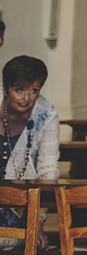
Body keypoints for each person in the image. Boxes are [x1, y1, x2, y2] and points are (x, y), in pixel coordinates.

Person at [0, 56, 59, 251]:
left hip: (19, 208)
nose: (27, 98)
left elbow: (48, 173)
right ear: (5, 89)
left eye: (34, 90)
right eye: (19, 90)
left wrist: (38, 223)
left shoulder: (46, 113)